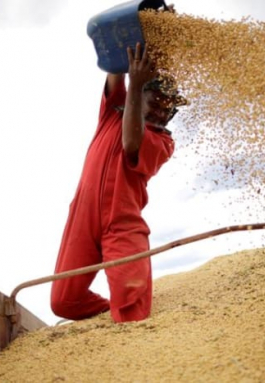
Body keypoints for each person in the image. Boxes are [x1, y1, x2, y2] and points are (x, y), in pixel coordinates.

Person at [50, 41, 187, 323]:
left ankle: (125, 318)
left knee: (132, 314)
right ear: (140, 96)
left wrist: (137, 86)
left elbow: (130, 142)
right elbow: (115, 70)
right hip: (82, 217)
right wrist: (133, 39)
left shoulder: (164, 142)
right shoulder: (113, 111)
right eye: (158, 101)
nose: (163, 111)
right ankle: (110, 311)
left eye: (169, 108)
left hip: (122, 222)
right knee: (63, 302)